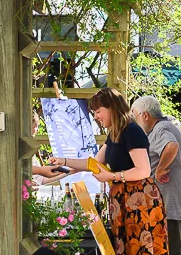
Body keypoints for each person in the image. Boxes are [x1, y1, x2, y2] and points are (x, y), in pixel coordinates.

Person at [49, 88, 168, 255]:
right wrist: (65, 162)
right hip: (123, 200)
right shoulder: (115, 133)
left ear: (112, 107)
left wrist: (111, 176)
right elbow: (95, 163)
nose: (96, 116)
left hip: (140, 201)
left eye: (98, 111)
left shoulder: (132, 131)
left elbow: (144, 170)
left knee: (140, 249)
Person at [132, 96, 181, 255]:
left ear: (145, 116)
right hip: (169, 203)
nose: (134, 121)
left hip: (167, 204)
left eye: (135, 115)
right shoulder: (165, 126)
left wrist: (160, 169)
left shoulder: (160, 128)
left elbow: (172, 146)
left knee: (169, 250)